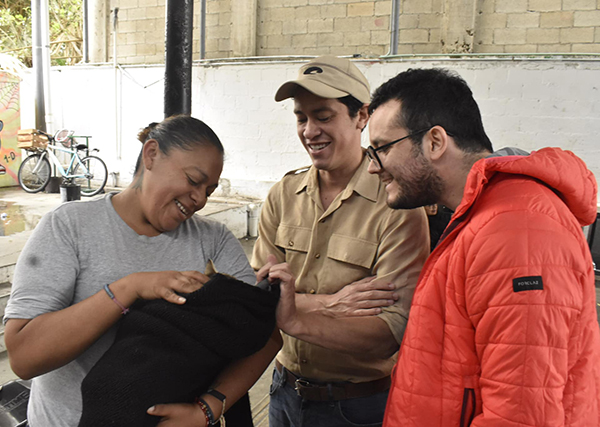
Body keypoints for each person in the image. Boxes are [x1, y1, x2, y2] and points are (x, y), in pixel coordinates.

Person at [4, 115, 282, 427]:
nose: (200, 199)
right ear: (151, 155)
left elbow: (265, 336)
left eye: (210, 189)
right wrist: (128, 289)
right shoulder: (69, 227)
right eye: (193, 180)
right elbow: (24, 357)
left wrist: (207, 409)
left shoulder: (213, 241)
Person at [366, 68, 600, 426]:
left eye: (381, 148)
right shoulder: (486, 217)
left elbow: (521, 416)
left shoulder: (518, 232)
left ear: (434, 141)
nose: (373, 168)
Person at [252, 56, 430, 427]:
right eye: (301, 117)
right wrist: (330, 303)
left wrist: (295, 316)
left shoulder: (397, 206)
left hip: (358, 407)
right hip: (284, 392)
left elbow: (389, 333)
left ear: (361, 116)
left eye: (324, 116)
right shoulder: (283, 195)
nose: (309, 130)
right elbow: (254, 300)